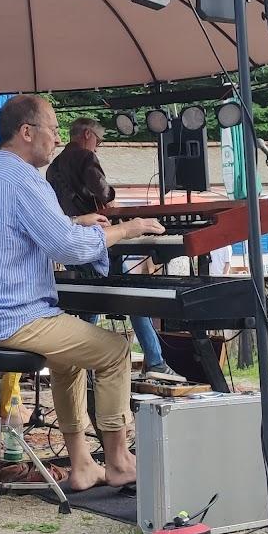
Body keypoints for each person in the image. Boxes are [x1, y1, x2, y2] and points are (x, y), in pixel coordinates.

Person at [0, 94, 165, 491]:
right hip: (14, 317)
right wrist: (126, 229)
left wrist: (75, 221)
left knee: (69, 359)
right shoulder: (24, 181)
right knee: (115, 350)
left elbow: (29, 227)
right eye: (52, 130)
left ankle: (83, 464)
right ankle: (120, 461)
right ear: (26, 132)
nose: (55, 139)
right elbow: (68, 248)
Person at [44, 116, 182, 382]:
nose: (98, 145)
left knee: (90, 300)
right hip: (96, 237)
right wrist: (112, 197)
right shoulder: (85, 157)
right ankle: (154, 361)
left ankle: (78, 366)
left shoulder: (54, 166)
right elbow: (104, 192)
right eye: (98, 139)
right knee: (131, 294)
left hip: (69, 238)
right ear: (86, 135)